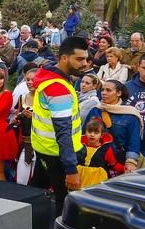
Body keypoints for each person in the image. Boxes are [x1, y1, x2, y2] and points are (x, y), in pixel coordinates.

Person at [29, 36, 92, 211]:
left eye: (86, 59)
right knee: (64, 206)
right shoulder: (58, 88)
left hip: (45, 150)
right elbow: (63, 131)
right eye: (79, 59)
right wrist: (71, 169)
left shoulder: (49, 77)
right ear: (64, 58)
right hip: (58, 156)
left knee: (36, 195)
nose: (85, 63)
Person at [88, 80, 142, 173]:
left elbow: (134, 141)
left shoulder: (130, 114)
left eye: (108, 90)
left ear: (119, 93)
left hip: (118, 163)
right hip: (95, 162)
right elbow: (84, 135)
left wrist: (131, 162)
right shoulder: (95, 111)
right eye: (102, 90)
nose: (104, 93)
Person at [73, 118, 126, 190]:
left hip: (97, 180)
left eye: (96, 132)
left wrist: (126, 169)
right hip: (79, 177)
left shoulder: (106, 149)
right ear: (85, 132)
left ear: (101, 135)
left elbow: (114, 165)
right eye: (90, 131)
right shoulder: (79, 145)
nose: (92, 135)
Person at [12, 63, 40, 185]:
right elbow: (16, 118)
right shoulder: (22, 97)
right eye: (27, 79)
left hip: (41, 144)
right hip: (25, 143)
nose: (29, 82)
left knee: (37, 180)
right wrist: (17, 119)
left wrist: (34, 117)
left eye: (32, 80)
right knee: (21, 180)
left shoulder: (45, 99)